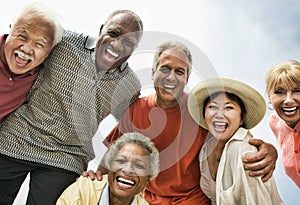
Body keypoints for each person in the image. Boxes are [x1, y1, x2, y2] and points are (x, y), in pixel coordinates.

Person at [86, 41, 278, 205]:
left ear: (186, 79)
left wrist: (268, 150)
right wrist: (96, 179)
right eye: (165, 69)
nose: (171, 77)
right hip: (148, 200)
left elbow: (231, 134)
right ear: (153, 73)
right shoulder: (137, 109)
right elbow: (114, 152)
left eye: (179, 72)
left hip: (193, 200)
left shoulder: (199, 111)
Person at [0, 9, 143, 204]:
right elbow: (21, 48)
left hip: (67, 156)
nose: (117, 45)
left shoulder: (129, 85)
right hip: (17, 137)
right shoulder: (65, 42)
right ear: (102, 29)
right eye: (114, 33)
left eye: (128, 43)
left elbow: (128, 131)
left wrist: (102, 171)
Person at [188, 78, 284, 204]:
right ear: (204, 113)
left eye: (229, 108)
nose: (219, 115)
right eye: (213, 107)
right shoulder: (206, 148)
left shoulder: (243, 150)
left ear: (242, 117)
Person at [0, 3, 63, 125]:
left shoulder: (41, 77)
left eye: (39, 44)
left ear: (49, 51)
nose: (27, 49)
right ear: (10, 28)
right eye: (22, 37)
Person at [56, 132, 159, 205]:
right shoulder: (83, 190)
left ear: (147, 180)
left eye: (139, 165)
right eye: (121, 161)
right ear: (110, 167)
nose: (127, 170)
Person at [265, 59, 300, 188]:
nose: (289, 100)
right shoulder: (275, 122)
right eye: (279, 92)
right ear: (269, 97)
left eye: (298, 90)